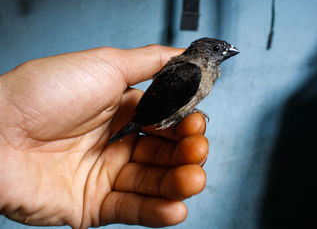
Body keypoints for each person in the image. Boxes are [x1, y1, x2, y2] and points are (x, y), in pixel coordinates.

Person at [0, 45, 209, 228]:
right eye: (217, 50)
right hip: (147, 114)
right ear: (204, 54)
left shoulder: (195, 71)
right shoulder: (190, 72)